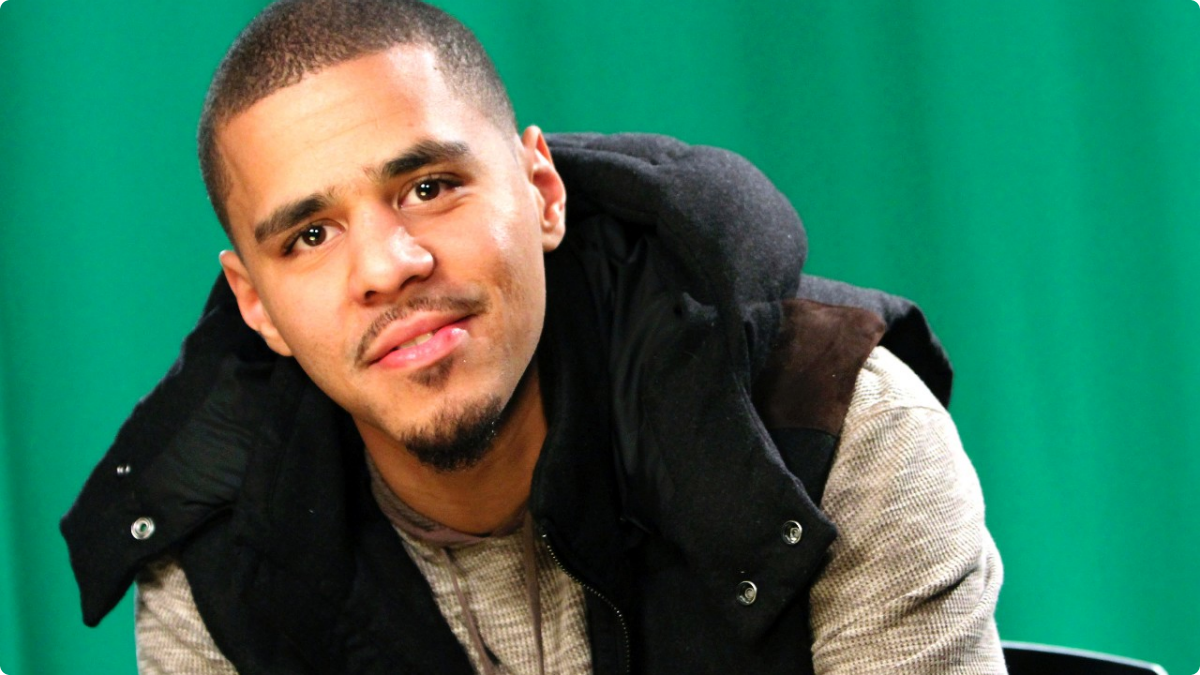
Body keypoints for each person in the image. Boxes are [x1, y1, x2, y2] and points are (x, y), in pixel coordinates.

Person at [61, 0, 1006, 673]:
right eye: (310, 235)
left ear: (543, 193)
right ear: (256, 304)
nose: (388, 265)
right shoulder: (216, 569)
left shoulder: (833, 427)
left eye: (429, 187)